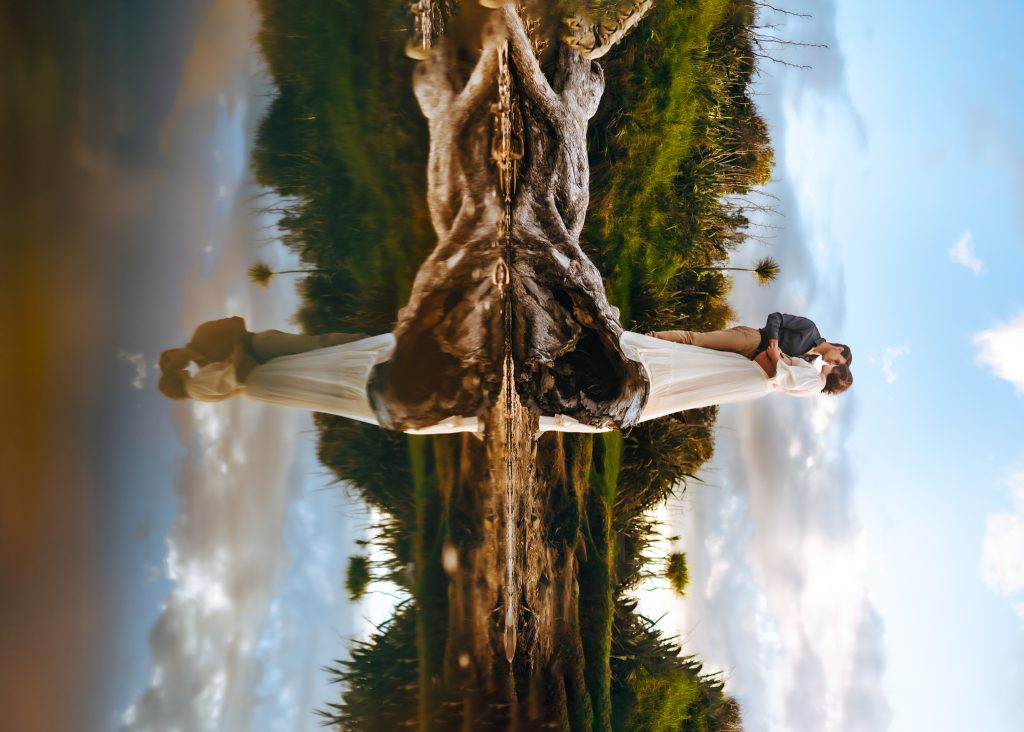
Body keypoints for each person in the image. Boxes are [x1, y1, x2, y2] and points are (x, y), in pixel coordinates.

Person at [650, 312, 852, 368]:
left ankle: (652, 356)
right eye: (837, 360)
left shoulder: (808, 363)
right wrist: (773, 340)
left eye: (835, 365)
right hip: (751, 340)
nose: (832, 363)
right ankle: (649, 338)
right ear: (839, 348)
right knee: (697, 340)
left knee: (696, 359)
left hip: (749, 363)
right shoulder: (809, 328)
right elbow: (776, 317)